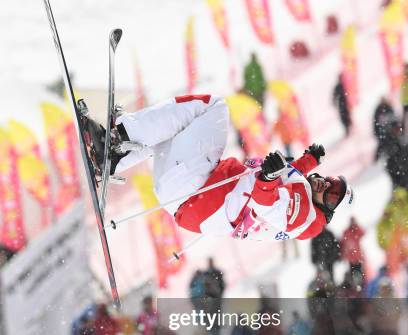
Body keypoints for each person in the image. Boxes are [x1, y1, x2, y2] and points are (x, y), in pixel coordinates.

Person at [87, 95, 353, 243]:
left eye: (332, 196)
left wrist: (267, 179)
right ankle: (112, 157)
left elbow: (267, 202)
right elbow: (291, 182)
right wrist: (308, 161)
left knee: (213, 106)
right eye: (332, 182)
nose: (327, 186)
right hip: (185, 198)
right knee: (172, 131)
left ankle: (116, 139)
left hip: (198, 189)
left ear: (327, 210)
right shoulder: (301, 202)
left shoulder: (304, 216)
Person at [340, 217, 365, 283]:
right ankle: (354, 285)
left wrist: (356, 226)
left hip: (357, 257)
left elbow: (362, 233)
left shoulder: (356, 231)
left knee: (360, 273)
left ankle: (360, 285)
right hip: (351, 258)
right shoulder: (347, 232)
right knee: (352, 273)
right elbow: (342, 243)